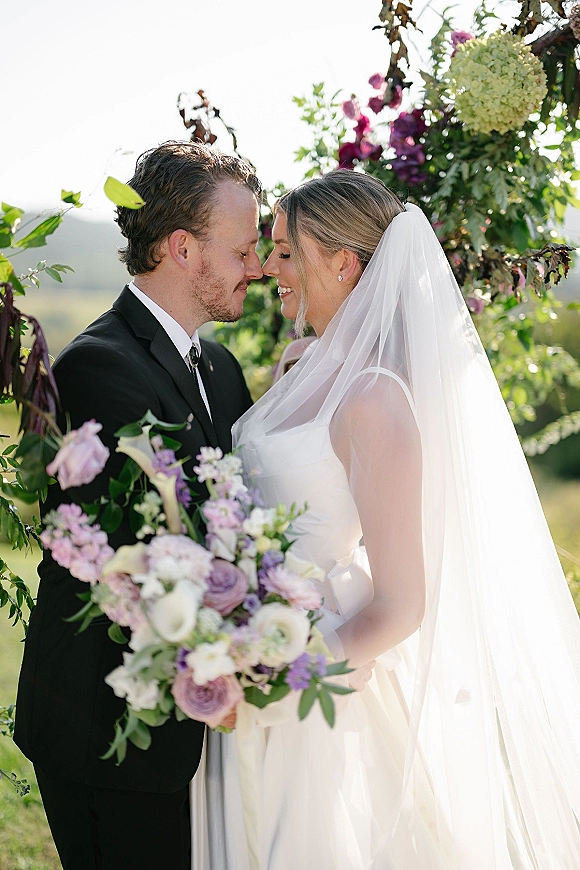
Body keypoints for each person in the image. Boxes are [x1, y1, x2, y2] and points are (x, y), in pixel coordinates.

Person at [195, 170, 580, 869]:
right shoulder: (297, 361)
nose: (268, 268)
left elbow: (403, 604)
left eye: (286, 251)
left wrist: (285, 672)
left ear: (342, 262)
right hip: (248, 641)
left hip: (313, 681)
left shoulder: (374, 400)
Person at [14, 140, 263, 870]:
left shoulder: (219, 366)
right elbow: (145, 563)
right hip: (107, 735)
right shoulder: (99, 367)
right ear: (183, 248)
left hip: (192, 727)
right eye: (243, 249)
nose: (255, 266)